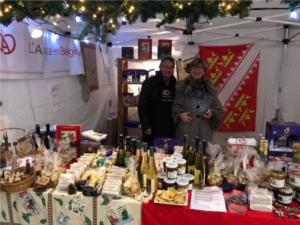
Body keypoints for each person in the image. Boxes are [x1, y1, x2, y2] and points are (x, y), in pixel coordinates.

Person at [172, 57, 223, 144]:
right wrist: (180, 115)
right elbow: (174, 107)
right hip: (185, 132)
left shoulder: (210, 89)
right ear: (190, 70)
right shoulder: (182, 88)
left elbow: (219, 110)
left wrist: (212, 113)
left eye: (200, 68)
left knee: (203, 156)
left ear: (204, 71)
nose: (197, 70)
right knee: (185, 156)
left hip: (204, 132)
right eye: (194, 67)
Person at [138, 56, 177, 146]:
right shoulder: (150, 82)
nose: (168, 70)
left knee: (169, 155)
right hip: (153, 127)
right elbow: (142, 106)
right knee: (153, 154)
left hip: (169, 128)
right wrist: (146, 126)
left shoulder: (175, 84)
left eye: (171, 67)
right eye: (166, 67)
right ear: (160, 67)